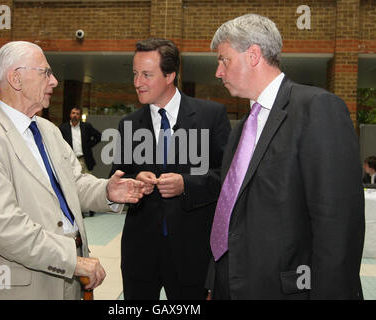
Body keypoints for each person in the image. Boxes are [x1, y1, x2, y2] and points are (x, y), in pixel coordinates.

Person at [0, 41, 143, 300]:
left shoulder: (49, 131)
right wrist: (73, 261)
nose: (54, 81)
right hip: (22, 285)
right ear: (16, 78)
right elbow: (3, 226)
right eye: (45, 72)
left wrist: (108, 191)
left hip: (71, 275)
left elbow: (73, 184)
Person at [206, 14, 365, 300]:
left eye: (224, 60)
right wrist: (215, 280)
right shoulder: (242, 127)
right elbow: (229, 210)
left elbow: (338, 224)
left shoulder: (316, 109)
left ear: (253, 55)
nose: (218, 72)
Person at [110, 38, 230, 300]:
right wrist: (133, 180)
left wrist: (187, 184)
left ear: (170, 75)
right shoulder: (128, 124)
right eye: (134, 73)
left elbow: (228, 179)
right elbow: (116, 176)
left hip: (192, 253)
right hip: (139, 253)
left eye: (146, 74)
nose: (137, 82)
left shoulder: (211, 116)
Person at [59, 107, 101, 174]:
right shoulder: (63, 128)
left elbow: (99, 136)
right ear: (70, 115)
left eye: (77, 114)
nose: (75, 115)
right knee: (71, 180)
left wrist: (88, 145)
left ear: (80, 116)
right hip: (70, 160)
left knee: (87, 181)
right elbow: (59, 142)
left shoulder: (86, 126)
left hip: (84, 159)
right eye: (73, 113)